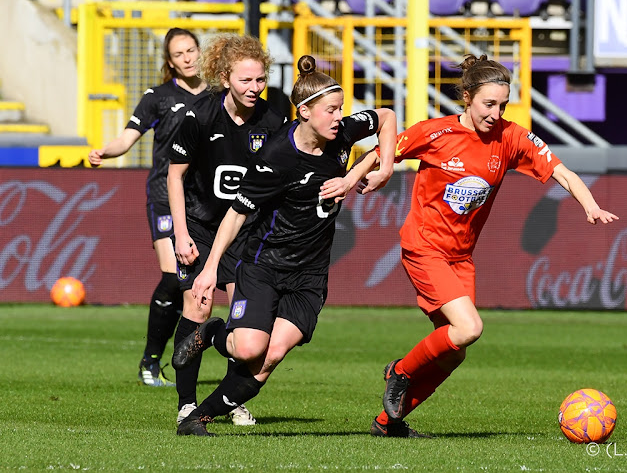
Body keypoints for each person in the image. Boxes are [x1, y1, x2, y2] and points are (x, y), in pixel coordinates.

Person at [372, 54, 619, 438]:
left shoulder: (511, 136)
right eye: (489, 104)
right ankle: (400, 371)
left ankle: (389, 423)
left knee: (455, 350)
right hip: (424, 246)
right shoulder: (435, 133)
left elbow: (561, 171)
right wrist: (358, 176)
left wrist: (590, 205)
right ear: (467, 98)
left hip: (460, 257)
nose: (495, 112)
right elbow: (379, 153)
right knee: (469, 327)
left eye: (502, 105)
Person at [170, 55, 397, 436]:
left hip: (309, 273)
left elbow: (387, 117)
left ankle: (197, 420)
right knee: (248, 350)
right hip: (265, 265)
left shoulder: (340, 134)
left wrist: (374, 168)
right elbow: (237, 213)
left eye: (341, 108)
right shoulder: (276, 157)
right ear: (305, 112)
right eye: (331, 110)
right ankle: (211, 334)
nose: (340, 117)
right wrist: (209, 269)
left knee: (270, 356)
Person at [167, 33, 286, 427]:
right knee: (197, 305)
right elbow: (175, 176)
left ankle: (230, 398)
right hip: (201, 226)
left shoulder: (274, 117)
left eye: (260, 80)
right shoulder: (199, 115)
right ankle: (187, 402)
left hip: (247, 233)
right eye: (245, 81)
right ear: (224, 77)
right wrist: (181, 234)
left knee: (243, 322)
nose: (254, 89)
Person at [88, 28, 209, 387]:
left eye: (191, 50)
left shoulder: (218, 96)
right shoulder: (158, 96)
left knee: (191, 284)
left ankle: (176, 355)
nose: (188, 58)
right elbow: (128, 137)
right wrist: (104, 152)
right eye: (179, 54)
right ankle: (151, 360)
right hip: (163, 195)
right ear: (169, 62)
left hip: (202, 201)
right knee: (174, 276)